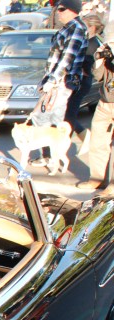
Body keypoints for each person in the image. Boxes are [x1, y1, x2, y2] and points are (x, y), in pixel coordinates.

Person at [32, 0, 88, 129]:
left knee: (49, 119)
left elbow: (67, 58)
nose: (58, 12)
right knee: (44, 117)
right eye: (58, 9)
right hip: (58, 80)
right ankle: (49, 147)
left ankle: (52, 148)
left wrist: (52, 80)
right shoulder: (69, 27)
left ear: (72, 10)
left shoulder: (76, 28)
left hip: (62, 81)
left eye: (62, 9)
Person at [80, 34, 114, 189]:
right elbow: (99, 76)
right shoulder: (109, 56)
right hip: (105, 102)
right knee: (98, 142)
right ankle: (96, 178)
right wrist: (100, 59)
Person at [67, 13, 103, 143]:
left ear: (92, 27)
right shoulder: (94, 41)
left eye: (85, 26)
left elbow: (90, 67)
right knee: (68, 114)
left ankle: (82, 138)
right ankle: (83, 137)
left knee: (69, 115)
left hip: (82, 81)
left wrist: (80, 68)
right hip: (83, 81)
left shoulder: (92, 44)